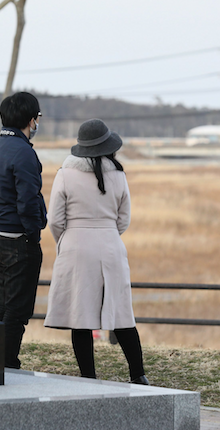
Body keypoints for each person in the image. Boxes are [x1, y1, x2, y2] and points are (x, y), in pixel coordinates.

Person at [44, 118, 148, 385]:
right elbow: (124, 219)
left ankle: (88, 378)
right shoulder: (119, 175)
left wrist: (67, 241)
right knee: (122, 313)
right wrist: (107, 234)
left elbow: (54, 220)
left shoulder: (65, 174)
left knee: (80, 315)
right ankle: (138, 374)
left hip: (76, 246)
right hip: (111, 245)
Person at [0, 91, 47, 369]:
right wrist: (34, 235)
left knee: (4, 305)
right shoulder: (23, 152)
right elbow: (28, 201)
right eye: (37, 117)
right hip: (18, 240)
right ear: (31, 119)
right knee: (17, 311)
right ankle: (7, 365)